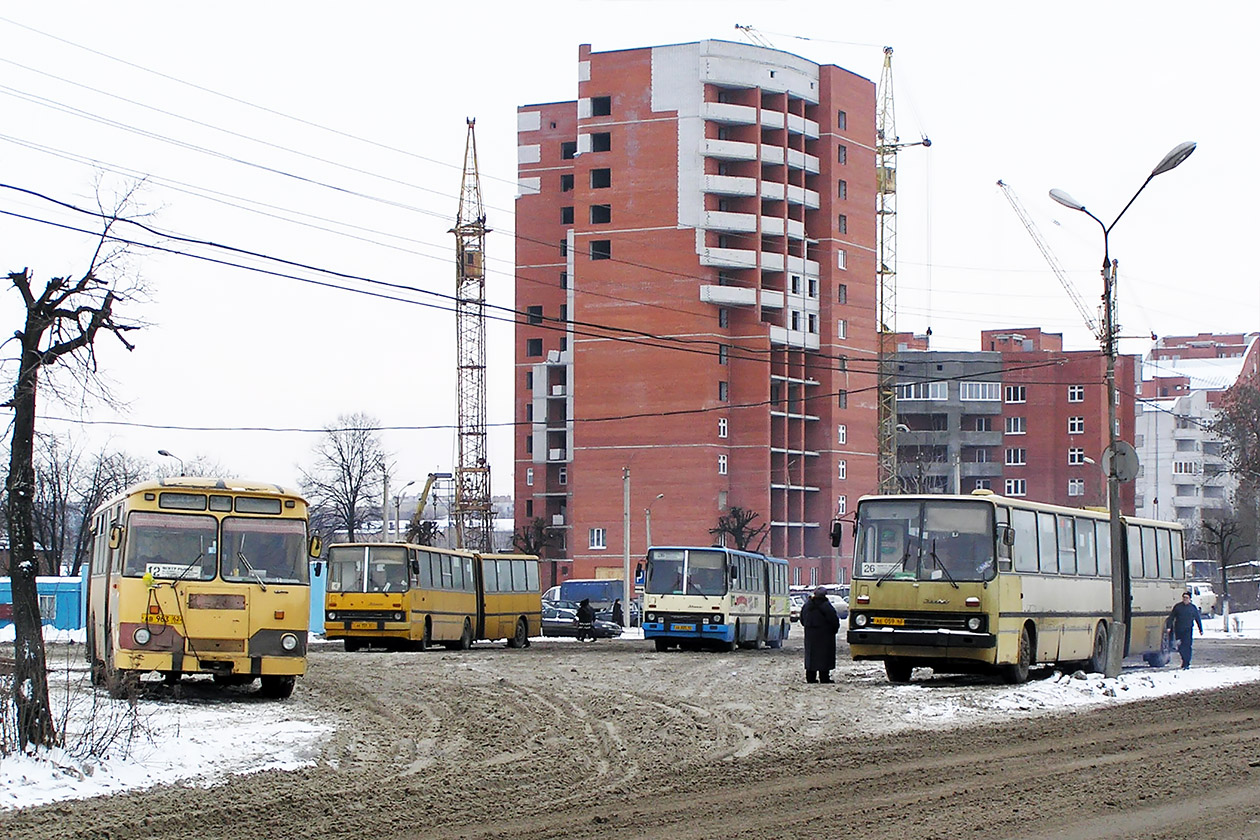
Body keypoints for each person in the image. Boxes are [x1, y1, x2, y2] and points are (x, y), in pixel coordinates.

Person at [799, 585, 841, 683]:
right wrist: (834, 630)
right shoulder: (826, 606)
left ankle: (810, 677)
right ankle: (824, 677)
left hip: (810, 635)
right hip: (825, 636)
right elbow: (834, 620)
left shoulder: (807, 605)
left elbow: (802, 619)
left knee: (811, 656)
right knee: (824, 657)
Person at [1167, 591, 1204, 670]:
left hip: (1188, 630)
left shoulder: (1193, 608)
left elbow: (1197, 619)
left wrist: (1201, 629)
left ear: (1190, 599)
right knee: (1180, 647)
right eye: (1184, 598)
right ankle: (1184, 660)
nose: (1185, 599)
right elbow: (1171, 617)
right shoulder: (1178, 607)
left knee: (1187, 646)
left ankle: (1186, 662)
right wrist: (1169, 627)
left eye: (1186, 598)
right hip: (1179, 630)